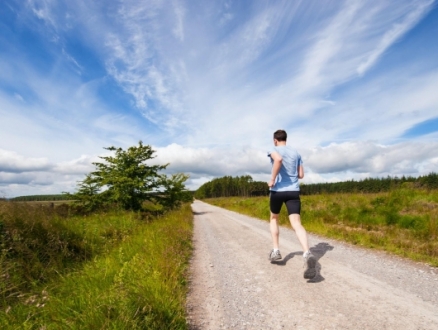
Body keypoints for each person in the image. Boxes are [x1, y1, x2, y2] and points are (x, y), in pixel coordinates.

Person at [267, 129, 316, 279]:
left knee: (274, 218)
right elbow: (301, 175)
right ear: (285, 139)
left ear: (275, 140)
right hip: (293, 191)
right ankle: (307, 253)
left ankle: (276, 251)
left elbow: (278, 159)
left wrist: (272, 179)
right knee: (296, 223)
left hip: (277, 191)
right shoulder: (296, 153)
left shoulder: (273, 149)